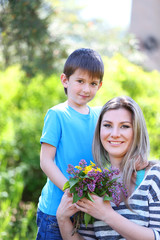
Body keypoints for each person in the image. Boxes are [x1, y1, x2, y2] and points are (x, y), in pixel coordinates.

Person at [57, 96, 160, 240]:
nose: (115, 134)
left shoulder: (154, 177)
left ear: (137, 131)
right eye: (107, 125)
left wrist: (106, 214)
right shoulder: (94, 184)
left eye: (125, 126)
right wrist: (62, 219)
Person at [36, 48, 104, 239]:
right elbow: (46, 161)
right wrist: (71, 189)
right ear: (65, 80)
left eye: (93, 83)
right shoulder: (57, 114)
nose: (86, 89)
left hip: (86, 209)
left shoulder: (99, 116)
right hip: (56, 207)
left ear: (99, 86)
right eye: (80, 81)